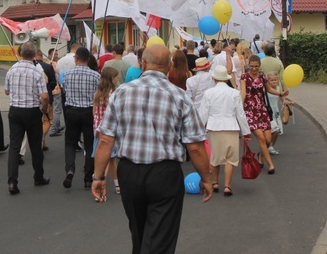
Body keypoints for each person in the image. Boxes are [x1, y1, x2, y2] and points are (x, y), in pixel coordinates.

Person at [92, 45, 213, 253]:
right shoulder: (180, 96)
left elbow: (105, 140)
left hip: (129, 172)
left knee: (138, 233)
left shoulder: (121, 92)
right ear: (169, 67)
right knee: (161, 238)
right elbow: (195, 147)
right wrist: (206, 177)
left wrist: (98, 177)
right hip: (164, 174)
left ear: (143, 64)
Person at [5, 42, 51, 195]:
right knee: (35, 145)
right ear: (34, 55)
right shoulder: (37, 72)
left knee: (14, 146)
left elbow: (6, 91)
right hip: (32, 110)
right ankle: (38, 176)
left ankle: (12, 181)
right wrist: (44, 109)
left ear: (20, 54)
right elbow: (44, 96)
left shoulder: (12, 69)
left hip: (15, 110)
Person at [198, 66, 251, 196]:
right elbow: (240, 114)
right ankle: (227, 186)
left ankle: (215, 183)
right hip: (231, 127)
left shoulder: (209, 93)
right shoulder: (234, 93)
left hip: (213, 127)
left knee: (215, 157)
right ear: (226, 79)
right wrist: (246, 131)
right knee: (230, 159)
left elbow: (203, 113)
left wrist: (199, 129)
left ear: (214, 78)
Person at [60, 47, 100, 190]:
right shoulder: (96, 76)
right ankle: (88, 178)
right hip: (88, 112)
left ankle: (70, 169)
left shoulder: (66, 75)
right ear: (88, 59)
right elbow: (98, 95)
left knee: (70, 143)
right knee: (89, 145)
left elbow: (64, 90)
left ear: (76, 59)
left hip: (71, 111)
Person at [240, 55, 288, 174]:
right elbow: (243, 93)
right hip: (250, 111)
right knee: (261, 138)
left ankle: (261, 156)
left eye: (256, 66)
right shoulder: (244, 77)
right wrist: (239, 108)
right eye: (251, 66)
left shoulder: (262, 76)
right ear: (248, 66)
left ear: (260, 66)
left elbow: (268, 89)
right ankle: (270, 164)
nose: (254, 69)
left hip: (262, 110)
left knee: (267, 139)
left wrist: (280, 93)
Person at [92, 67, 119, 196]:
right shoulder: (112, 94)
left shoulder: (98, 93)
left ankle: (116, 183)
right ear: (111, 79)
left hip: (98, 127)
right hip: (109, 128)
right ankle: (102, 181)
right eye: (116, 77)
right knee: (108, 158)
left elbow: (94, 112)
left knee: (108, 157)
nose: (117, 79)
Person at [260, 43, 285, 155]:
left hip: (263, 91)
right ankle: (272, 136)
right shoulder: (278, 62)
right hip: (275, 89)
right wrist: (283, 91)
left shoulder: (261, 62)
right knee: (274, 111)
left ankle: (268, 132)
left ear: (264, 51)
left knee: (269, 111)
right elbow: (283, 77)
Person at [51, 43, 79, 137]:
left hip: (63, 88)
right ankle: (76, 134)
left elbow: (58, 75)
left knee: (66, 111)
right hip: (75, 89)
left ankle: (69, 130)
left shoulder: (60, 61)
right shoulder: (76, 60)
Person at [35, 49, 56, 151]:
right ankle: (42, 137)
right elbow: (53, 82)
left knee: (38, 121)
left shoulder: (32, 67)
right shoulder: (48, 66)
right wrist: (49, 89)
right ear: (41, 56)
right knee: (47, 120)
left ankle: (43, 143)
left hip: (34, 98)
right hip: (47, 97)